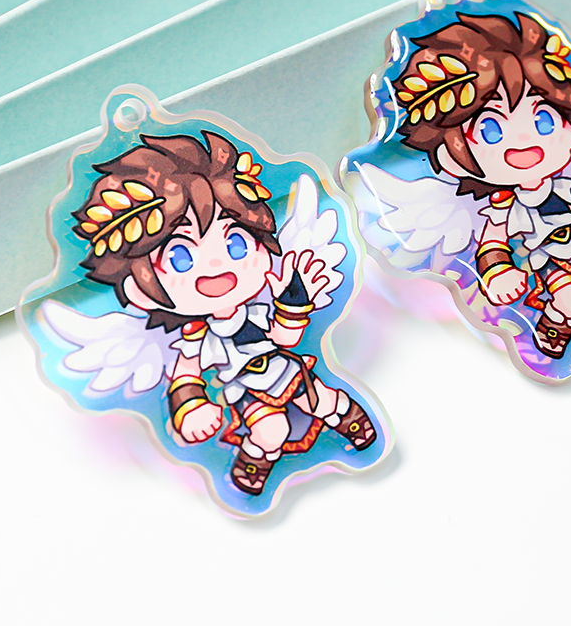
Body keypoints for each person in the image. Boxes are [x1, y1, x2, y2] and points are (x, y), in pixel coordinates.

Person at [72, 131, 376, 494]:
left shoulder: (257, 308)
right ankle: (250, 469)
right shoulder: (196, 337)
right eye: (180, 257)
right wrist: (190, 408)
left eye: (235, 242)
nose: (216, 266)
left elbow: (285, 337)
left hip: (286, 369)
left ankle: (353, 423)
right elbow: (185, 373)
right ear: (138, 288)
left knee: (324, 400)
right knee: (271, 430)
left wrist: (294, 298)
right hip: (246, 390)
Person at [388, 12, 571, 358]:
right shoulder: (503, 206)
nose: (524, 141)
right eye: (491, 129)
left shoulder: (563, 180)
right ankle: (552, 335)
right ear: (450, 156)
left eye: (543, 119)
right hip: (551, 259)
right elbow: (492, 242)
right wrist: (498, 272)